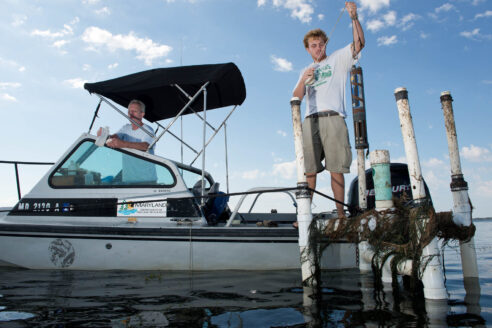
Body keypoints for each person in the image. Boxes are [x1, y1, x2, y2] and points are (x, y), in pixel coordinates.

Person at [292, 1, 365, 219]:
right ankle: (305, 216)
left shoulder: (339, 58)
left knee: (336, 170)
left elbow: (359, 43)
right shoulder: (305, 70)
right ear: (308, 49)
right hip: (309, 120)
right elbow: (296, 97)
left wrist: (354, 17)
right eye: (313, 45)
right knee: (309, 171)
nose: (317, 48)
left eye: (321, 44)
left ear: (326, 44)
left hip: (333, 118)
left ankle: (341, 215)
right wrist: (304, 80)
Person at [97, 99, 157, 183]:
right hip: (128, 179)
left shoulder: (148, 130)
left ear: (142, 114)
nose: (131, 114)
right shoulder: (125, 128)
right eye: (129, 111)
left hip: (146, 180)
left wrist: (122, 144)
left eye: (134, 111)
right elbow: (114, 137)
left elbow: (146, 146)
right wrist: (104, 135)